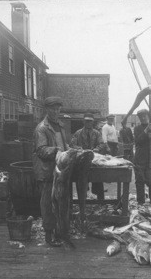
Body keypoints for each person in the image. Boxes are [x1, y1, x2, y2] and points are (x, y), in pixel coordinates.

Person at [33, 96, 68, 247]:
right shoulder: (42, 128)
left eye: (58, 109)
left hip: (59, 170)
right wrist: (56, 150)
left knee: (60, 202)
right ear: (47, 109)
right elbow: (40, 150)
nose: (56, 111)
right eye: (53, 109)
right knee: (48, 203)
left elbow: (63, 145)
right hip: (47, 172)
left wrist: (69, 150)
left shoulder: (60, 125)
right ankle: (49, 235)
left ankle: (59, 231)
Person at [70, 113, 107, 200]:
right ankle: (82, 201)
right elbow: (72, 144)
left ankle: (101, 201)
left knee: (98, 180)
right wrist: (80, 149)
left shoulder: (97, 133)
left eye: (90, 121)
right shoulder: (78, 133)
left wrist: (97, 149)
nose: (88, 123)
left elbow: (102, 144)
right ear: (83, 121)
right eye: (86, 121)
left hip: (95, 160)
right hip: (81, 162)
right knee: (82, 182)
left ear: (93, 122)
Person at [133, 109, 151, 205]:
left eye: (145, 116)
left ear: (148, 117)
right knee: (140, 182)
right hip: (140, 158)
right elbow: (138, 141)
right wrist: (145, 131)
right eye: (141, 117)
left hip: (150, 158)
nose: (143, 118)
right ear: (139, 118)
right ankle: (140, 203)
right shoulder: (137, 128)